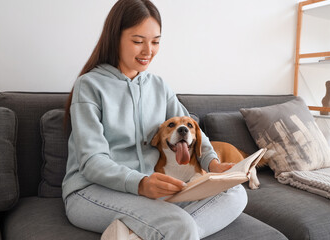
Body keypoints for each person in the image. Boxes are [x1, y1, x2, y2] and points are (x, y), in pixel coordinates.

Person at [62, 0, 247, 239]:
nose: (148, 51)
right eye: (138, 41)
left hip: (151, 193)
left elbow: (193, 128)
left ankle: (137, 234)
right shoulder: (89, 86)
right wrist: (140, 183)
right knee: (179, 226)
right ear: (115, 37)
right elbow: (92, 161)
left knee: (235, 193)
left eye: (156, 42)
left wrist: (212, 163)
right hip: (92, 191)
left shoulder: (160, 87)